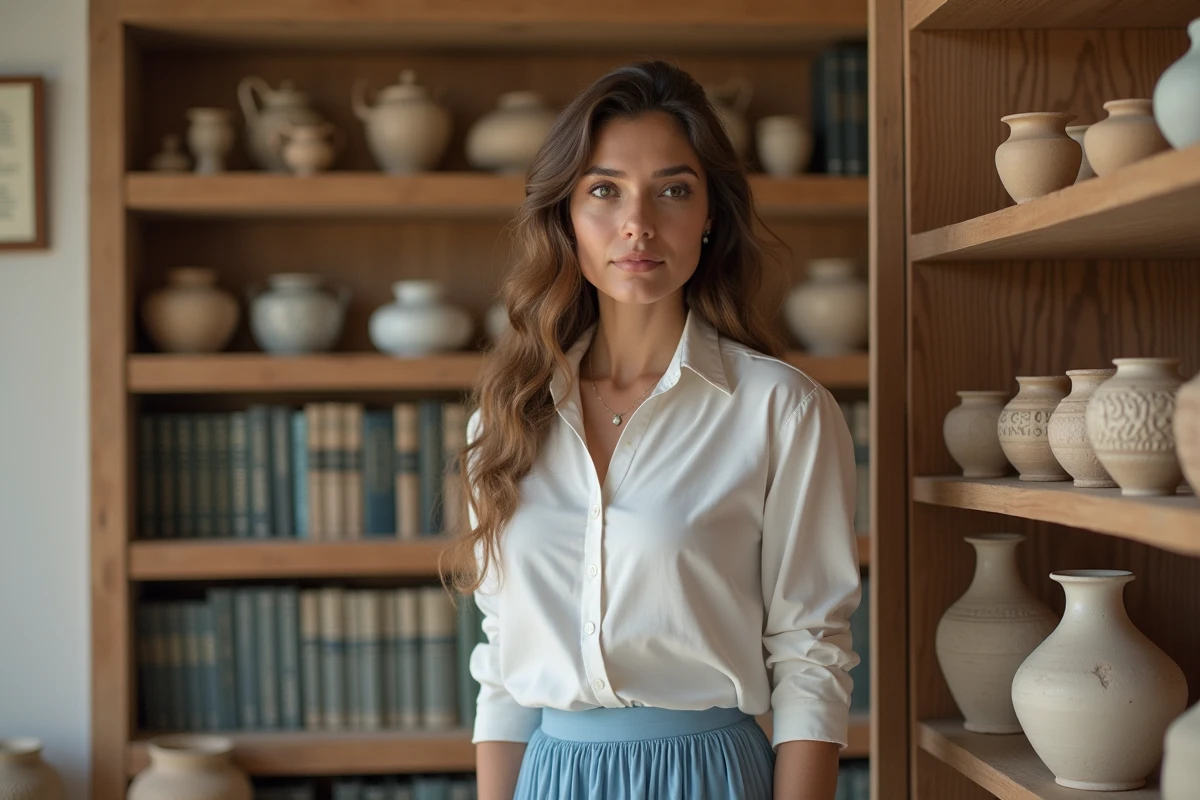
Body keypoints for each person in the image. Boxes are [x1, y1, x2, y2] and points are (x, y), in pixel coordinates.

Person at [443, 59, 861, 800]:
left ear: (710, 218)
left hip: (708, 778)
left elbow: (811, 656)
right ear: (566, 218)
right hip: (552, 777)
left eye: (673, 190)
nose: (638, 222)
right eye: (604, 190)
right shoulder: (507, 416)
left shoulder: (780, 410)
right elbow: (502, 661)